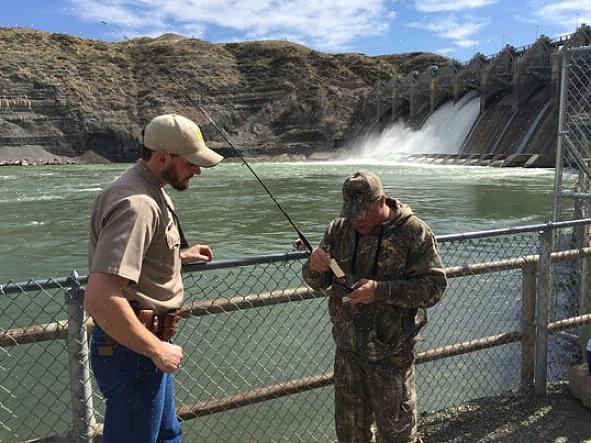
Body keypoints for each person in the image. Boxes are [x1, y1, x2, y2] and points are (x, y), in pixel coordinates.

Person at [84, 113, 223, 442]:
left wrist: (176, 256)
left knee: (165, 435)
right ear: (163, 157)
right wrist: (156, 350)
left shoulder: (150, 188)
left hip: (142, 344)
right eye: (191, 162)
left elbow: (137, 260)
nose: (197, 170)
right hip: (134, 348)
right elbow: (101, 297)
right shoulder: (139, 204)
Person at [302, 170, 447, 443]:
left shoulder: (413, 232)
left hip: (392, 357)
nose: (356, 219)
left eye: (362, 212)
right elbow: (317, 282)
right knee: (350, 435)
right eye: (351, 212)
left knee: (398, 437)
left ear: (381, 201)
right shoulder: (338, 229)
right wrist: (313, 266)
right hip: (348, 355)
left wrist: (379, 291)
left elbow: (434, 288)